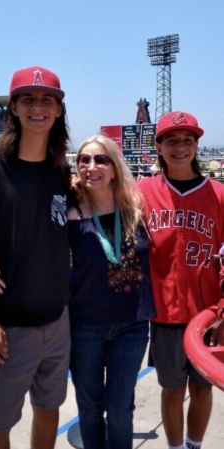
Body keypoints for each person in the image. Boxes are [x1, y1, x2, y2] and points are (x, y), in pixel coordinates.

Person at [0, 134, 156, 449]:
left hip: (131, 327)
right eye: (84, 160)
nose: (92, 167)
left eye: (101, 159)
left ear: (115, 167)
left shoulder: (138, 207)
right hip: (84, 326)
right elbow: (26, 233)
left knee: (119, 410)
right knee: (89, 409)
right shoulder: (69, 212)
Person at [0, 66, 71, 449]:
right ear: (14, 109)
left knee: (49, 410)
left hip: (57, 322)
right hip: (6, 328)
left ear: (58, 111)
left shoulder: (62, 173)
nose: (37, 107)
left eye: (46, 100)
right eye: (28, 99)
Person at [138, 111, 224, 449]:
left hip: (209, 314)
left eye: (188, 140)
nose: (180, 147)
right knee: (172, 390)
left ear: (197, 146)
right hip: (165, 315)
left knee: (203, 388)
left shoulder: (218, 194)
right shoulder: (141, 191)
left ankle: (194, 446)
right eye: (171, 140)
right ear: (158, 146)